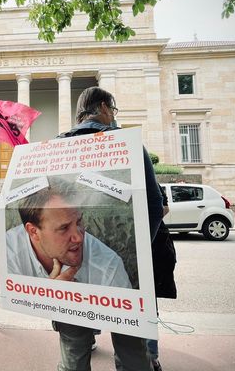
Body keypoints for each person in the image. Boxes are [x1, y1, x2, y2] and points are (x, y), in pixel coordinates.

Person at [54, 86, 165, 371]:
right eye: (113, 111)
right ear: (103, 107)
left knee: (74, 351)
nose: (113, 117)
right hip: (123, 284)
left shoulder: (55, 147)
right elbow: (154, 206)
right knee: (131, 353)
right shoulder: (125, 143)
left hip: (69, 279)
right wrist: (137, 253)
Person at [6, 178, 131, 288]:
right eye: (64, 228)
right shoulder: (8, 253)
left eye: (79, 221)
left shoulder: (108, 267)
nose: (79, 238)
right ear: (33, 232)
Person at [147, 186, 177, 371]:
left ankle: (150, 355)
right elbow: (163, 208)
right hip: (151, 244)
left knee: (145, 303)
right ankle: (150, 356)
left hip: (150, 247)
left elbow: (162, 208)